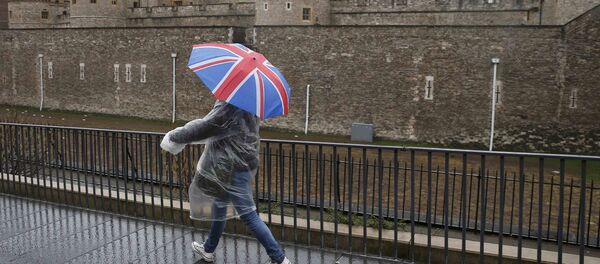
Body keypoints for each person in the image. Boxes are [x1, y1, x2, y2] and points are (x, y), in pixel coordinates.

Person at [160, 100, 291, 264]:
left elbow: (206, 126)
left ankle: (279, 258)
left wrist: (175, 137)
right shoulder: (250, 105)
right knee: (220, 207)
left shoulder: (230, 104)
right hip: (242, 163)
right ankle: (208, 249)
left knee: (249, 215)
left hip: (230, 168)